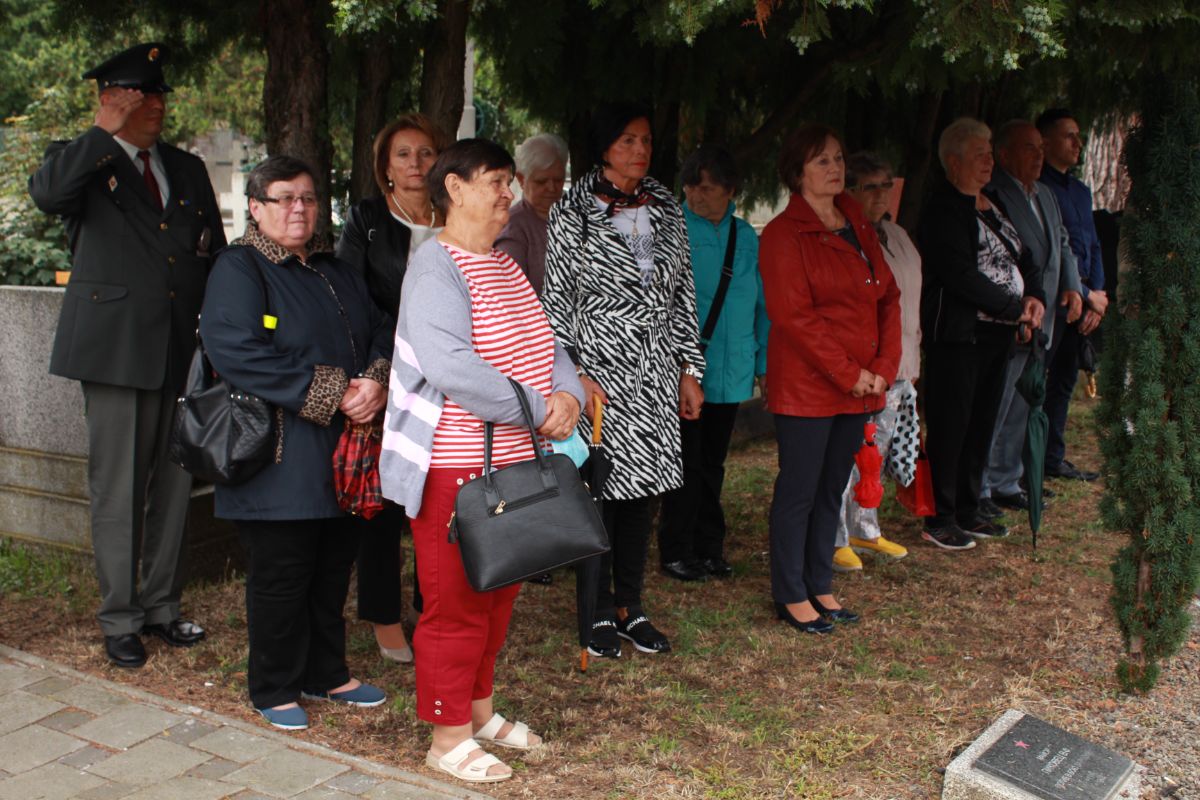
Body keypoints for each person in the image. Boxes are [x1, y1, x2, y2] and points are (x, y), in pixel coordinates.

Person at [378, 139, 584, 783]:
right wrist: (537, 407)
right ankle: (447, 738)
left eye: (507, 182)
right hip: (455, 469)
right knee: (456, 606)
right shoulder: (434, 269)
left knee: (498, 594)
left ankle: (479, 712)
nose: (507, 193)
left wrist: (569, 396)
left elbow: (547, 343)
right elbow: (452, 367)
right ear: (455, 188)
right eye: (495, 181)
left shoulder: (504, 264)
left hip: (514, 461)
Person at [28, 43, 223, 669]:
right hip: (114, 351)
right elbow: (47, 195)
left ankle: (162, 606)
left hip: (178, 347)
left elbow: (211, 253)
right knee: (117, 490)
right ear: (110, 99)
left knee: (174, 486)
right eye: (139, 96)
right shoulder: (81, 160)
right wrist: (101, 133)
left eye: (159, 94)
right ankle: (120, 617)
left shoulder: (185, 168)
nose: (155, 105)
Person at [200, 156, 394, 731]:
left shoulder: (335, 269)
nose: (298, 209)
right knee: (282, 575)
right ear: (256, 207)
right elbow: (236, 351)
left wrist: (376, 381)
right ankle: (274, 686)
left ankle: (325, 672)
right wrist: (338, 392)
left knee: (333, 566)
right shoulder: (240, 267)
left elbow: (382, 326)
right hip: (276, 454)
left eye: (307, 198)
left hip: (344, 449)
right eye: (284, 198)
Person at [543, 103, 705, 658]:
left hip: (656, 367)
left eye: (647, 140)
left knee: (643, 491)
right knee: (601, 488)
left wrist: (689, 369)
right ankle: (595, 606)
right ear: (604, 145)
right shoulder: (572, 209)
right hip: (599, 370)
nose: (640, 150)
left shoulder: (665, 206)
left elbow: (683, 293)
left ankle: (630, 606)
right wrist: (575, 374)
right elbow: (557, 301)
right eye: (628, 140)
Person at [758, 123, 901, 633]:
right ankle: (790, 593)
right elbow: (793, 316)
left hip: (859, 385)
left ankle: (819, 583)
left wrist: (882, 369)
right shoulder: (783, 234)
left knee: (832, 488)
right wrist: (848, 373)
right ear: (797, 172)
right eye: (822, 160)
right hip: (808, 386)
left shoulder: (856, 221)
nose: (835, 168)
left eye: (838, 158)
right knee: (800, 489)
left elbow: (888, 296)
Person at [336, 112, 450, 664]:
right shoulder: (367, 218)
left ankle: (434, 609)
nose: (415, 163)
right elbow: (350, 298)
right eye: (402, 154)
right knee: (383, 503)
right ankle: (384, 615)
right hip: (387, 372)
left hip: (447, 376)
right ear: (385, 165)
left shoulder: (455, 215)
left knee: (439, 499)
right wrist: (378, 369)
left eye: (425, 152)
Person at [917, 118, 1046, 551]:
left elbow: (1025, 256)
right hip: (960, 336)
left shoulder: (993, 203)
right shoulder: (942, 210)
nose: (989, 161)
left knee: (981, 422)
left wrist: (1036, 297)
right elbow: (959, 274)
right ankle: (941, 515)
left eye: (991, 153)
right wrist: (1014, 308)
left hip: (999, 335)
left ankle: (969, 506)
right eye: (979, 155)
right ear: (954, 162)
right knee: (951, 425)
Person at [656, 144, 767, 583]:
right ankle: (676, 549)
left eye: (707, 188)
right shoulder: (672, 230)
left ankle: (709, 546)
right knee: (685, 461)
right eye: (691, 187)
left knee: (714, 462)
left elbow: (760, 303)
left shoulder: (746, 236)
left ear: (730, 190)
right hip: (685, 368)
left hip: (733, 366)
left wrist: (763, 361)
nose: (696, 195)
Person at [978, 120, 1084, 517]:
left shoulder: (1045, 194)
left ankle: (1007, 480)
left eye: (1041, 148)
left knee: (1025, 401)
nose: (1039, 156)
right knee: (999, 401)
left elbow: (1062, 242)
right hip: (1013, 315)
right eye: (1030, 148)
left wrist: (1073, 286)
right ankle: (981, 485)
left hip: (1046, 315)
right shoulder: (995, 194)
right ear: (1004, 155)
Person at [832, 152, 922, 572]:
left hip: (899, 366)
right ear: (849, 190)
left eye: (887, 185)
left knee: (877, 454)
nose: (882, 194)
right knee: (849, 455)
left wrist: (912, 358)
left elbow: (909, 301)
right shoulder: (844, 237)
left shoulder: (897, 234)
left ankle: (864, 527)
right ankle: (834, 536)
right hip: (864, 371)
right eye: (871, 186)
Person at [1037, 108, 1106, 482]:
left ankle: (1053, 457)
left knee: (1064, 380)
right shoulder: (1039, 188)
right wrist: (1084, 293)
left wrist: (1098, 294)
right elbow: (1053, 251)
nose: (1078, 143)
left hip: (1085, 299)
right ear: (1045, 142)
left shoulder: (1079, 191)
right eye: (1069, 136)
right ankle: (1023, 462)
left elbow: (1092, 244)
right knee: (1037, 380)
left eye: (1078, 135)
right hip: (1055, 299)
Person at [495, 132, 568, 294]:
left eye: (558, 180)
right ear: (522, 179)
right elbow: (512, 295)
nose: (552, 188)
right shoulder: (513, 229)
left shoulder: (576, 216)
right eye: (541, 181)